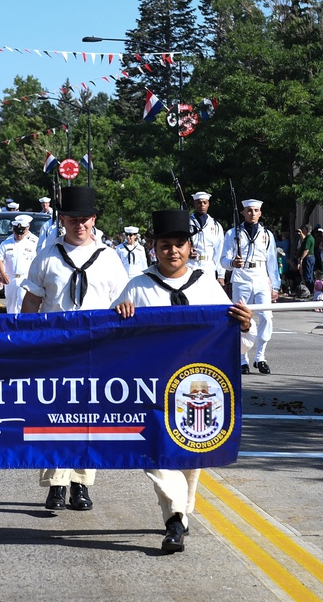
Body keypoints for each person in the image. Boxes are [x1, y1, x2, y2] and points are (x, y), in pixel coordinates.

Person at [112, 209, 254, 553]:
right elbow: (111, 336)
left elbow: (229, 334)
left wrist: (244, 324)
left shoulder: (206, 284)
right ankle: (174, 519)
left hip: (195, 385)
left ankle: (181, 512)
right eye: (165, 245)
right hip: (150, 386)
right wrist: (120, 314)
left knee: (191, 456)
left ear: (190, 248)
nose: (172, 251)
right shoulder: (137, 286)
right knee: (156, 452)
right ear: (153, 248)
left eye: (179, 244)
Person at [21, 186, 127, 512]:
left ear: (93, 220)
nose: (79, 225)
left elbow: (123, 302)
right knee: (54, 417)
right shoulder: (47, 256)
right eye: (72, 219)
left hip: (95, 348)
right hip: (56, 348)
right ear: (62, 220)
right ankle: (56, 485)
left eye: (84, 219)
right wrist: (27, 342)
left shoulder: (109, 258)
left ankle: (81, 484)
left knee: (87, 419)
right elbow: (32, 301)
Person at [220, 199, 280, 374]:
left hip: (261, 277)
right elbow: (223, 260)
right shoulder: (232, 233)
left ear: (260, 213)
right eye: (248, 210)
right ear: (243, 212)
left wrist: (275, 286)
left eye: (255, 210)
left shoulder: (267, 234)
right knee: (240, 317)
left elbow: (272, 262)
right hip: (241, 277)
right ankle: (242, 358)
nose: (252, 213)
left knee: (266, 316)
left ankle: (260, 356)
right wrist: (232, 263)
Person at [0, 216, 39, 315]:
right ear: (13, 231)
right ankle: (11, 324)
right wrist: (2, 274)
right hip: (10, 278)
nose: (19, 235)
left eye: (21, 233)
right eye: (17, 233)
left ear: (25, 231)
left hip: (25, 278)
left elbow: (36, 262)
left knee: (22, 304)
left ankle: (21, 324)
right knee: (10, 306)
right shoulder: (6, 243)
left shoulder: (31, 244)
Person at [187, 191, 226, 284]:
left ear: (208, 204)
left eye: (205, 202)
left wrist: (221, 275)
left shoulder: (215, 225)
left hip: (208, 266)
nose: (202, 205)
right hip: (190, 265)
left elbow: (219, 251)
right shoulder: (186, 223)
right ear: (194, 204)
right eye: (199, 202)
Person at [296, 225, 315, 293]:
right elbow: (304, 240)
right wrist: (301, 234)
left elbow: (306, 250)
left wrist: (301, 258)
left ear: (306, 230)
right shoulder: (309, 237)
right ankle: (311, 290)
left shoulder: (309, 238)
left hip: (308, 258)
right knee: (310, 274)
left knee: (307, 275)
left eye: (304, 229)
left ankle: (309, 290)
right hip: (311, 258)